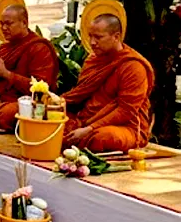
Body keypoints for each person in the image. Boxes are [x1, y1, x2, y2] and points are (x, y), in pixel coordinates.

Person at [62, 14, 154, 152]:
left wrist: (89, 129)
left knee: (101, 138)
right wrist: (57, 103)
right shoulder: (93, 60)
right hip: (86, 120)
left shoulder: (133, 66)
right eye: (90, 36)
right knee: (52, 124)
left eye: (98, 37)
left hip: (124, 127)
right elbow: (79, 95)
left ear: (116, 36)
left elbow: (126, 111)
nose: (92, 42)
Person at [0, 4, 59, 130]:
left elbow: (42, 89)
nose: (4, 28)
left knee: (6, 115)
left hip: (25, 101)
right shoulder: (5, 47)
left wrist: (6, 74)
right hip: (1, 99)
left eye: (9, 24)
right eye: (1, 23)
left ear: (24, 23)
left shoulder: (39, 48)